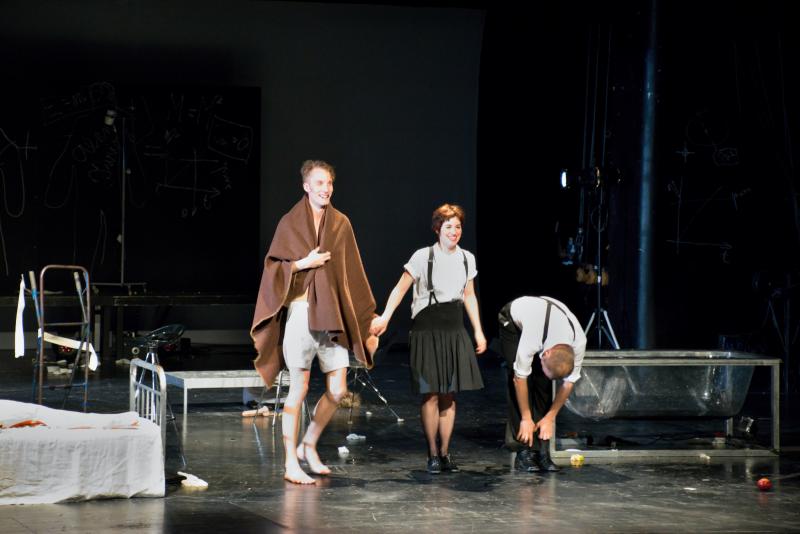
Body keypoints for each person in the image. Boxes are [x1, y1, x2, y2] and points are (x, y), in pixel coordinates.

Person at [250, 160, 378, 485]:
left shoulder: (341, 223)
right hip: (301, 313)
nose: (326, 189)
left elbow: (352, 273)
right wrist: (302, 263)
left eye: (329, 183)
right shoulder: (290, 222)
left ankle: (308, 444)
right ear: (306, 186)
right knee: (299, 388)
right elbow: (273, 268)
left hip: (330, 315)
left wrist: (367, 316)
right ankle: (290, 463)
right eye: (319, 183)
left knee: (338, 389)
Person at [371, 203, 486, 474]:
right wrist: (385, 317)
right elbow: (400, 289)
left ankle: (445, 453)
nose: (454, 231)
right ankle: (432, 454)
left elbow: (469, 295)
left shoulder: (467, 258)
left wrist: (478, 330)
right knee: (430, 393)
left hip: (454, 327)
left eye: (458, 226)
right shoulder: (423, 257)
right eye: (448, 226)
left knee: (449, 394)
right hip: (427, 328)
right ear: (437, 229)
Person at [498, 296, 586, 472]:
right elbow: (519, 379)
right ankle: (524, 451)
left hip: (546, 327)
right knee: (520, 379)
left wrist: (550, 417)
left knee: (543, 384)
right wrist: (526, 418)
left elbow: (568, 383)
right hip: (513, 321)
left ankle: (541, 451)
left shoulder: (578, 342)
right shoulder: (533, 337)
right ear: (545, 354)